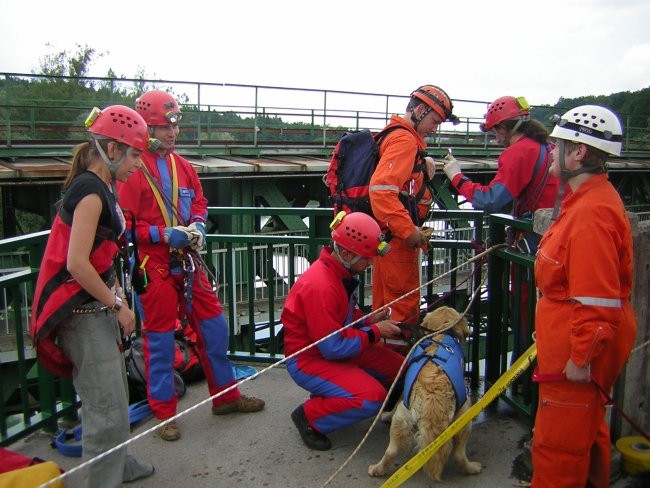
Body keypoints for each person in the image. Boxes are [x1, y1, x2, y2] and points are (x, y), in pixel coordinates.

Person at [118, 90, 264, 442]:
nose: (173, 133)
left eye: (175, 126)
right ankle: (164, 413)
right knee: (160, 343)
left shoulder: (181, 166)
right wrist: (163, 234)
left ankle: (226, 397)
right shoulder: (133, 172)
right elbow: (123, 227)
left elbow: (199, 200)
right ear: (146, 128)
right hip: (154, 267)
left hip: (188, 263)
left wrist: (197, 224)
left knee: (214, 330)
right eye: (165, 127)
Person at [30, 105, 155, 487]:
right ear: (112, 150)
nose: (139, 164)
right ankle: (101, 480)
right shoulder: (91, 192)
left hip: (91, 306)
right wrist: (118, 305)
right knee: (104, 407)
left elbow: (94, 258)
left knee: (114, 398)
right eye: (135, 154)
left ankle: (118, 465)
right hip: (81, 313)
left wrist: (114, 295)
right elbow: (77, 263)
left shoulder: (98, 185)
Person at [531, 105, 637, 488]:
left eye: (558, 142)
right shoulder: (585, 202)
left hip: (579, 353)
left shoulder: (591, 214)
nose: (552, 149)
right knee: (587, 432)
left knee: (558, 445)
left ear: (579, 153)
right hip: (574, 342)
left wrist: (581, 357)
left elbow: (598, 301)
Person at [282, 211, 405, 451]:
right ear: (347, 254)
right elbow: (333, 347)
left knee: (401, 367)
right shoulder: (321, 286)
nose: (370, 263)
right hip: (308, 360)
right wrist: (376, 331)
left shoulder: (338, 273)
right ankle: (309, 416)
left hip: (328, 350)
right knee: (371, 397)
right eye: (367, 258)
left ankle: (337, 398)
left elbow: (342, 320)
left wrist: (369, 319)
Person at [369, 85, 458, 334]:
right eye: (434, 120)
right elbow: (381, 192)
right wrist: (410, 232)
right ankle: (398, 366)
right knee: (402, 311)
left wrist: (422, 161)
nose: (435, 127)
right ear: (419, 110)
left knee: (384, 309)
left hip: (387, 238)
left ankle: (384, 364)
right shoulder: (404, 140)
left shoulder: (399, 136)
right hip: (397, 242)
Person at [442, 95, 560, 222]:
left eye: (495, 133)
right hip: (556, 228)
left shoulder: (518, 152)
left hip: (536, 235)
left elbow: (489, 200)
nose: (497, 140)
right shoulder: (549, 147)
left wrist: (456, 176)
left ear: (503, 129)